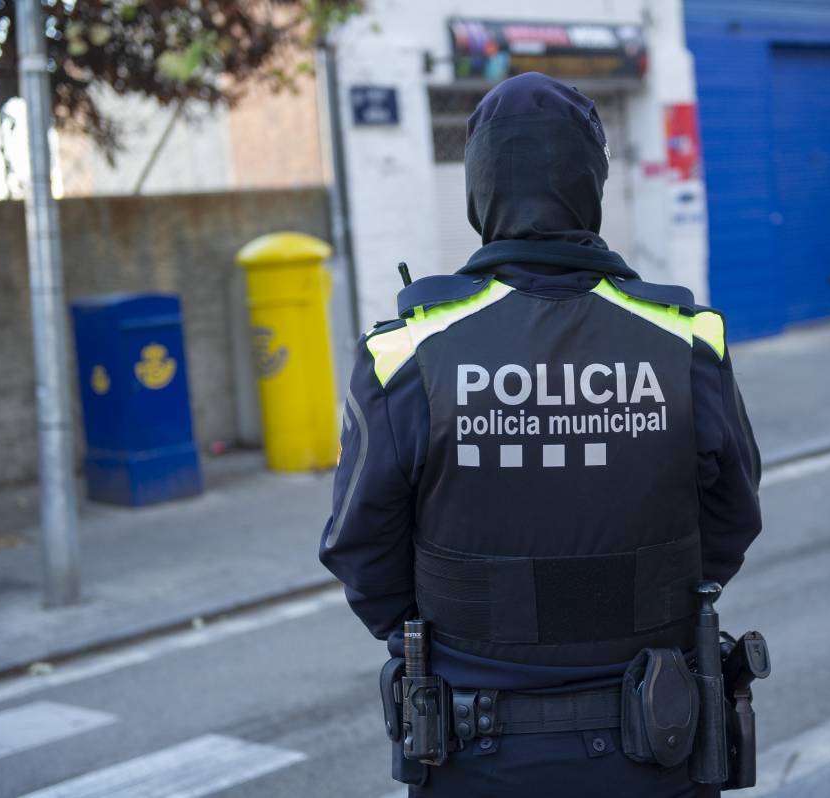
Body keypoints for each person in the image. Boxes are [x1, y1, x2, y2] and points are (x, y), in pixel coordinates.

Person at [319, 72, 762, 797]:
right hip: (656, 743)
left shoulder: (406, 354)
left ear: (480, 190)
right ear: (591, 185)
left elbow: (361, 548)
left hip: (472, 750)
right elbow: (733, 521)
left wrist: (461, 636)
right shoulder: (685, 341)